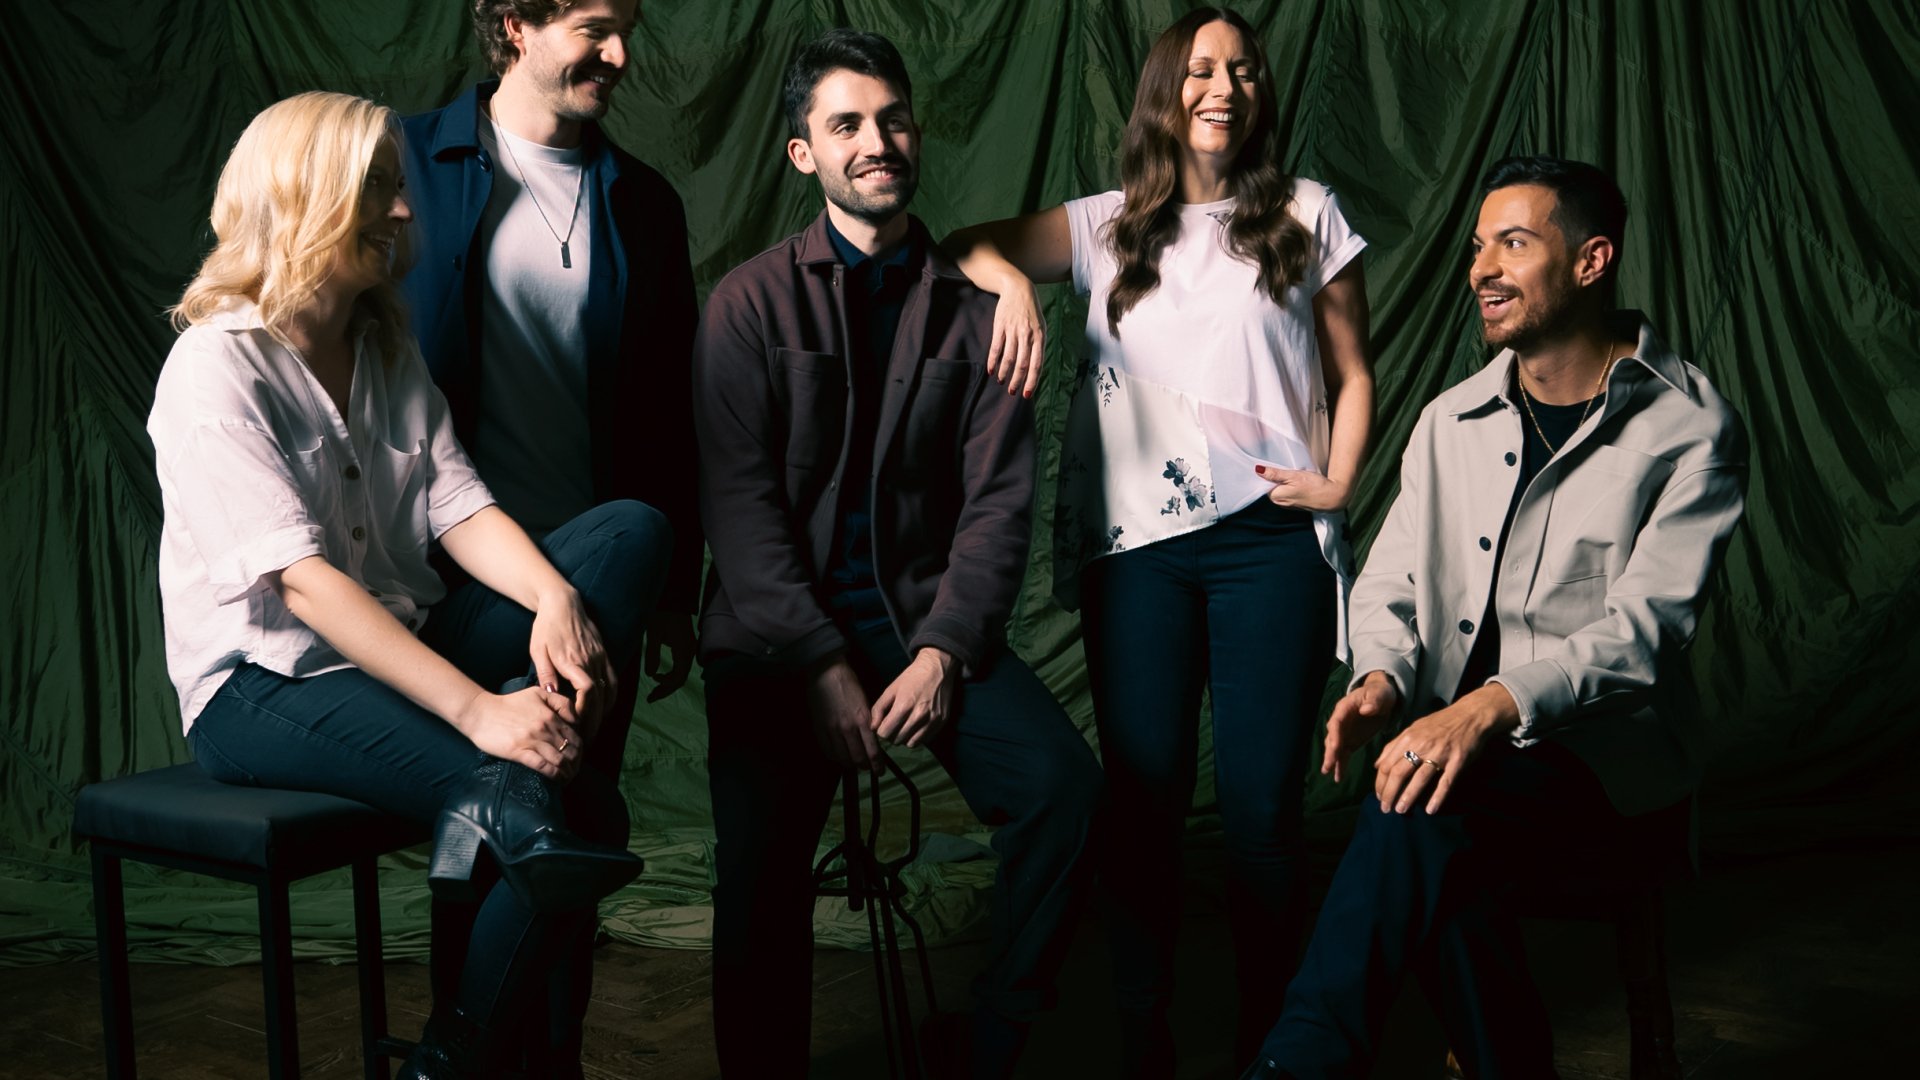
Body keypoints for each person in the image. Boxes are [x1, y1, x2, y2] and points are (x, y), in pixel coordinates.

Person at [151, 91, 663, 1078]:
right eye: (377, 189)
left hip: (403, 640)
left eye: (398, 187)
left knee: (627, 534)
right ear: (305, 196)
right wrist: (480, 712)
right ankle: (456, 1057)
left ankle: (461, 1031)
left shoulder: (386, 348)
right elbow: (302, 587)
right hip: (265, 685)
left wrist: (554, 600)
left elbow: (459, 507)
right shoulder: (215, 368)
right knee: (576, 808)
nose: (401, 210)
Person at [1241, 156, 1749, 1078]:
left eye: (1513, 244)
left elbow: (1644, 633)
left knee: (1421, 809)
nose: (1481, 269)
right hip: (1457, 760)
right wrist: (1384, 676)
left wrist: (1486, 708)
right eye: (1478, 247)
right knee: (1427, 804)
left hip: (1605, 768)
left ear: (1591, 261)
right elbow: (1391, 580)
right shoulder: (1451, 420)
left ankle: (1307, 1062)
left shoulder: (1691, 429)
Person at [942, 7, 1375, 1071]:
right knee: (1144, 804)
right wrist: (1012, 281)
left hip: (1269, 540)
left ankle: (1277, 1044)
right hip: (1137, 552)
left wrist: (1338, 481)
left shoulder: (1308, 210)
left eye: (1244, 70)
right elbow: (964, 247)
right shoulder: (1102, 228)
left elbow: (1353, 371)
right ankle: (1146, 1040)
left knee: (1264, 808)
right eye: (1201, 69)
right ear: (1163, 90)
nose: (1224, 87)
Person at [692, 28, 1104, 1080]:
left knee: (1062, 788)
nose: (876, 142)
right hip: (777, 639)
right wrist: (818, 665)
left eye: (893, 120)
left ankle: (994, 1043)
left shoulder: (981, 312)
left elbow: (998, 505)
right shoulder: (747, 303)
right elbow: (739, 510)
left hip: (922, 620)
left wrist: (944, 652)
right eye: (846, 125)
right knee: (759, 870)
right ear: (804, 153)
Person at [398, 2, 699, 1068]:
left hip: (596, 577)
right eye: (595, 25)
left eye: (628, 28)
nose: (620, 55)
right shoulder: (405, 163)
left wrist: (670, 590)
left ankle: (545, 1061)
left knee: (565, 833)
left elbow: (667, 413)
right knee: (484, 835)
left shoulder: (644, 202)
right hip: (451, 577)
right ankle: (470, 1053)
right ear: (516, 23)